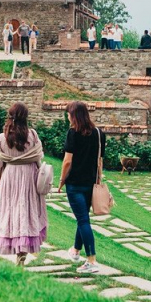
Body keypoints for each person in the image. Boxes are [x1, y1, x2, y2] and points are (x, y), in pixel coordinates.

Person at [0, 103, 48, 266]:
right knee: (26, 209)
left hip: (10, 177)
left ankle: (16, 247)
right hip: (28, 176)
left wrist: (11, 158)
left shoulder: (2, 137)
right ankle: (22, 252)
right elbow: (38, 158)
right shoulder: (33, 135)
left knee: (11, 211)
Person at [57, 101, 105, 274]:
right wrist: (98, 178)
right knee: (82, 218)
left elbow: (67, 161)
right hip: (91, 184)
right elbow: (100, 160)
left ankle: (91, 260)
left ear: (74, 115)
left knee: (83, 220)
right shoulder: (99, 133)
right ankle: (76, 251)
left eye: (69, 114)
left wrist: (62, 180)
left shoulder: (73, 133)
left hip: (75, 184)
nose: (68, 117)